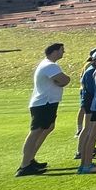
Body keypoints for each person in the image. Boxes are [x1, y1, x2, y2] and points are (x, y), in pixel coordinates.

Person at [17, 43, 69, 176]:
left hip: (47, 102)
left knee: (48, 127)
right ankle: (25, 165)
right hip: (44, 103)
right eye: (62, 50)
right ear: (55, 51)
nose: (63, 52)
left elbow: (61, 81)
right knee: (36, 132)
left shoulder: (49, 64)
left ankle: (30, 159)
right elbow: (64, 80)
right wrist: (64, 80)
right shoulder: (50, 66)